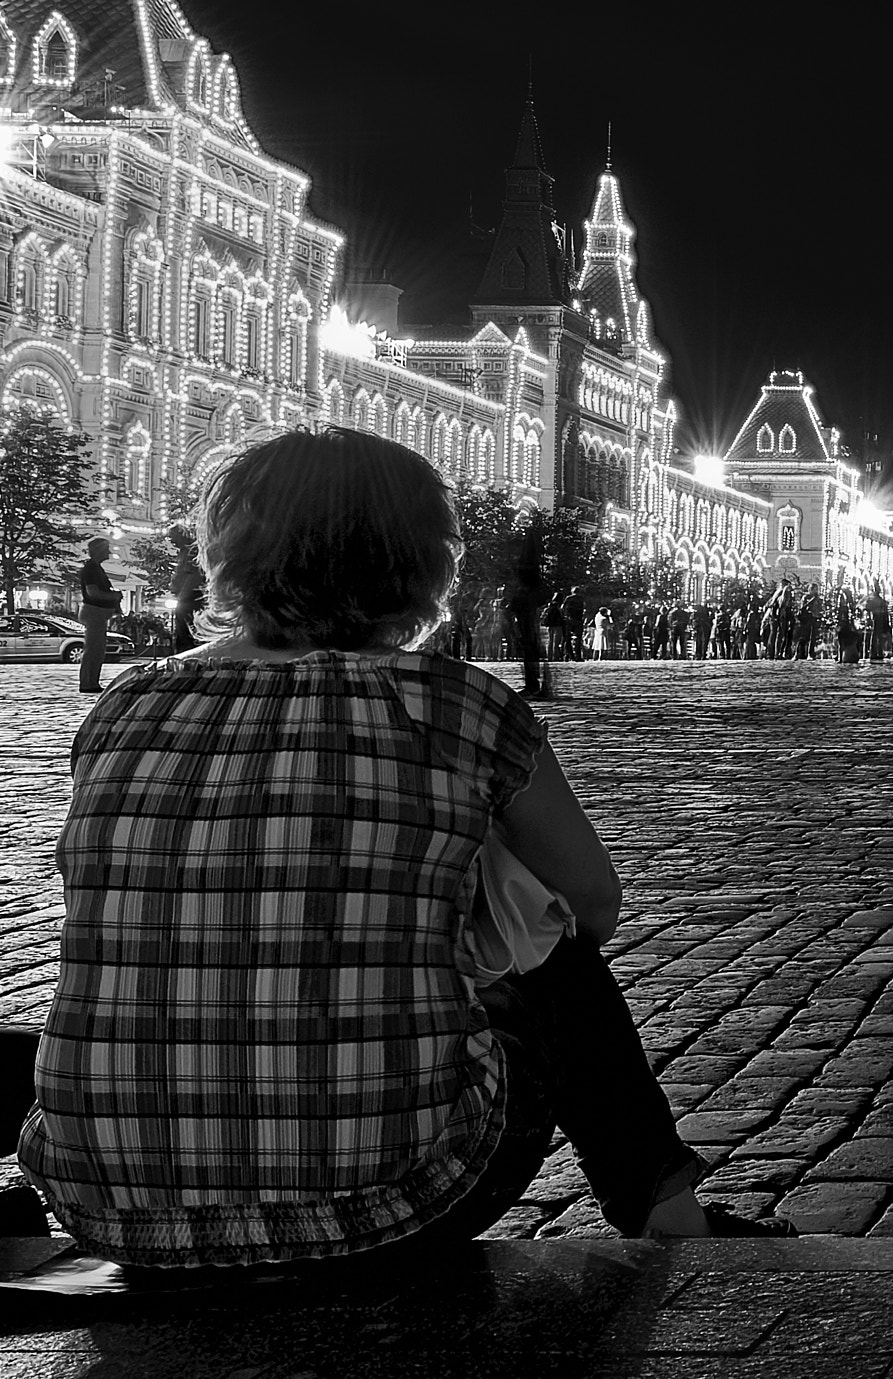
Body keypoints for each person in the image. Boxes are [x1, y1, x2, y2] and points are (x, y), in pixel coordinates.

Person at [8, 428, 790, 1276]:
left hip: (111, 1205)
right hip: (398, 1198)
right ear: (422, 562)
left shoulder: (126, 706)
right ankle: (670, 1214)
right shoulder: (460, 706)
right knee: (550, 944)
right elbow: (595, 902)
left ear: (228, 550)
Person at [74, 536, 123, 694]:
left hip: (97, 613)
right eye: (106, 549)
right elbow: (93, 592)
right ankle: (88, 683)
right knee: (94, 649)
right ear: (98, 551)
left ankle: (91, 681)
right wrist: (113, 596)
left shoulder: (94, 568)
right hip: (94, 612)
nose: (108, 552)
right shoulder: (91, 569)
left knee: (96, 649)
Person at [505, 522, 547, 698]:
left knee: (529, 649)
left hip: (526, 614)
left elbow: (523, 591)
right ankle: (535, 683)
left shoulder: (526, 570)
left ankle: (533, 684)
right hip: (528, 613)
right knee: (531, 649)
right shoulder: (533, 568)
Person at [169, 526, 206, 653]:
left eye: (173, 536)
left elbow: (194, 575)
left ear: (181, 534)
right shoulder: (183, 552)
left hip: (191, 597)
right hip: (185, 597)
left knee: (187, 631)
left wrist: (183, 595)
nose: (171, 540)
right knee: (182, 631)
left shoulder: (193, 550)